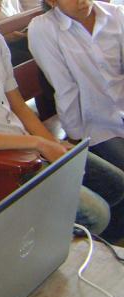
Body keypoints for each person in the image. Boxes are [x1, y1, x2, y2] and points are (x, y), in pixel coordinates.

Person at [0, 0, 124, 241]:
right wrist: (39, 144)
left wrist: (50, 143)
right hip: (1, 160)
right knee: (97, 215)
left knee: (116, 184)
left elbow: (19, 107)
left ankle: (91, 251)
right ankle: (59, 249)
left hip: (24, 145)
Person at [28, 0, 124, 243]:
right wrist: (75, 139)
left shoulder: (115, 15)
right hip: (99, 127)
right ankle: (112, 243)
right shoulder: (44, 29)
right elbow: (65, 89)